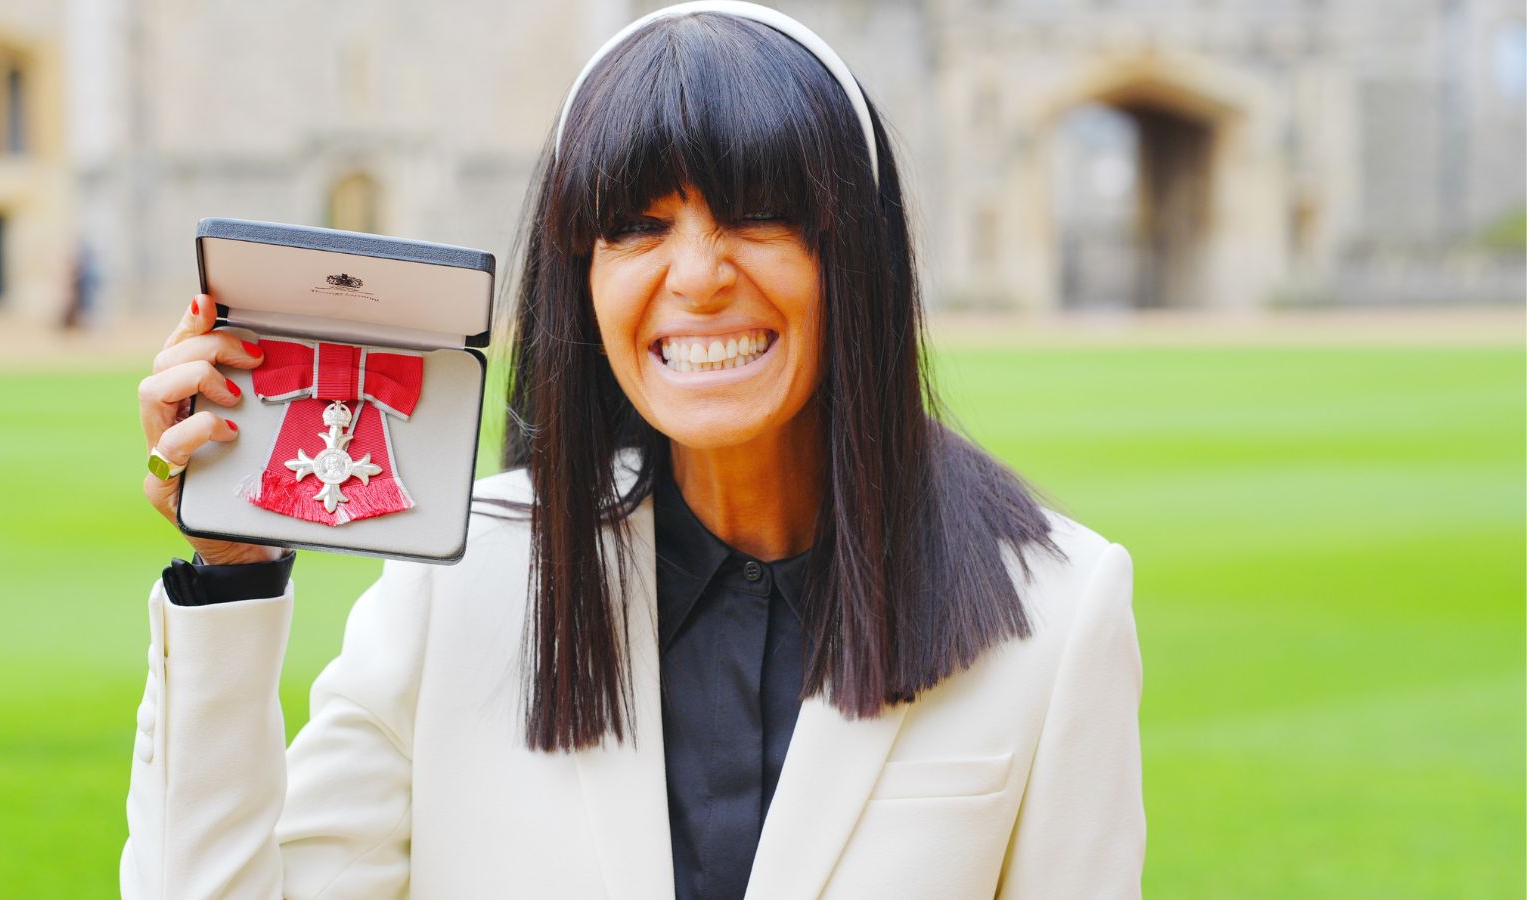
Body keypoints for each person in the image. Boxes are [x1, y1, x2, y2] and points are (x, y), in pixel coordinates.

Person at [123, 2, 1145, 897]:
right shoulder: (462, 578)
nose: (697, 275)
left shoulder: (1056, 611)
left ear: (858, 255)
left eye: (760, 214)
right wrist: (232, 581)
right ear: (582, 277)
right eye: (637, 226)